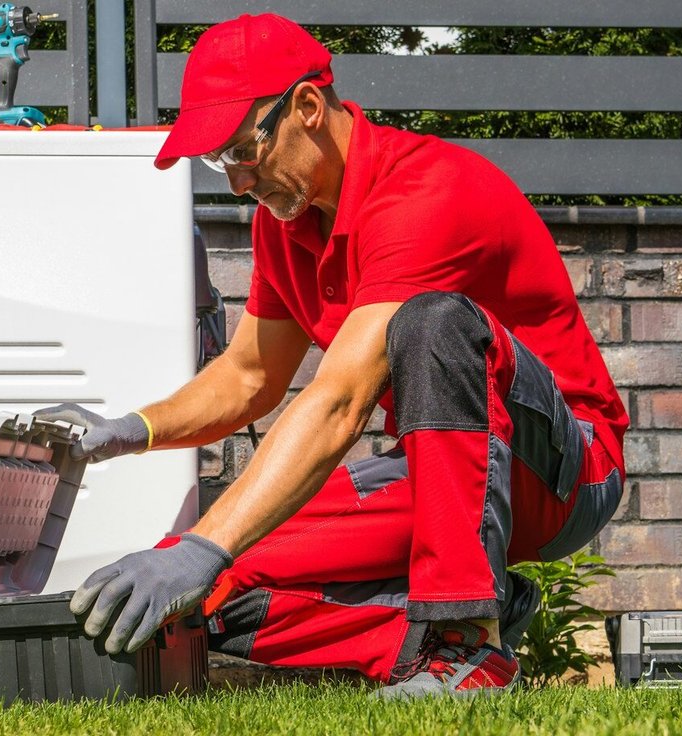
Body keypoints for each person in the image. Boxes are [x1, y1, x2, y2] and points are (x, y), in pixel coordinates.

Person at [35, 13, 626, 698]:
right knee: (205, 594)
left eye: (241, 152)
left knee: (432, 323)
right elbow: (249, 376)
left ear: (308, 107)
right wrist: (128, 431)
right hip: (441, 477)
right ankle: (458, 623)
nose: (235, 183)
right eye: (217, 162)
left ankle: (465, 642)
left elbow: (340, 399)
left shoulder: (425, 193)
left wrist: (207, 542)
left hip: (563, 471)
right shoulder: (284, 223)